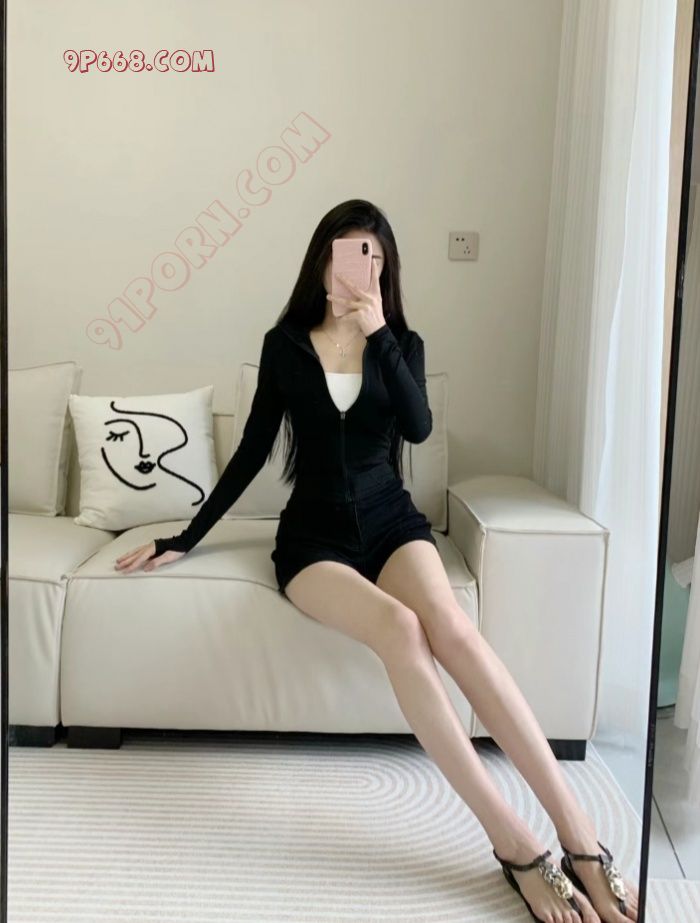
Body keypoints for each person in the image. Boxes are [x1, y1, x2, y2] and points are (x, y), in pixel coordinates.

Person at [115, 199, 638, 923]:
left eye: (375, 257)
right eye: (347, 253)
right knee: (400, 628)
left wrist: (379, 335)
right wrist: (185, 535)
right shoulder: (284, 345)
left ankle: (581, 839)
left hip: (391, 522)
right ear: (322, 261)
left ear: (386, 269)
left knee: (452, 629)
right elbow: (252, 451)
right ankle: (514, 843)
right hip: (314, 541)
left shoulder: (401, 342)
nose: (360, 269)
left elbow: (418, 427)